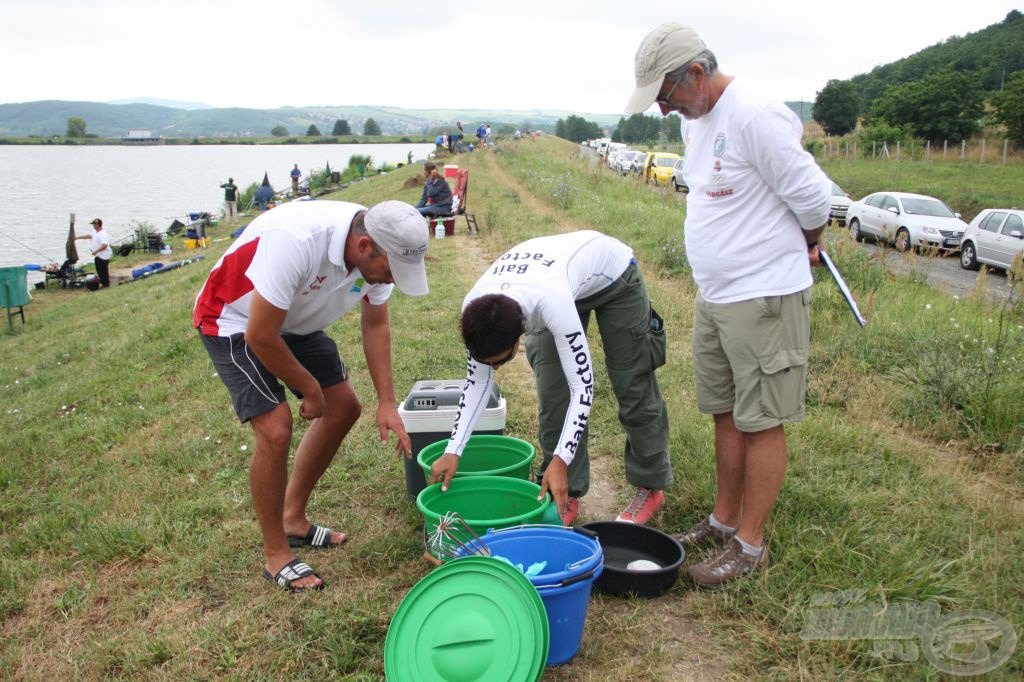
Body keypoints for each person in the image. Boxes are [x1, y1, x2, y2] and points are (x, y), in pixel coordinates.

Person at [625, 22, 831, 587]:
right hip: (716, 298)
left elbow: (814, 198)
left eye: (666, 96)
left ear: (696, 72)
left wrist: (808, 239)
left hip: (763, 295)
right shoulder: (699, 122)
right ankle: (723, 519)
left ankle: (750, 543)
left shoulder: (754, 114)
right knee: (726, 410)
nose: (665, 111)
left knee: (762, 419)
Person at [193, 199, 430, 592]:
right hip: (233, 318)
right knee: (275, 428)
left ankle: (293, 519)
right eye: (390, 270)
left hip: (291, 320)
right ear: (364, 245)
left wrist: (386, 402)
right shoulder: (298, 240)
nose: (390, 280)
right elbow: (260, 336)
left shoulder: (378, 254)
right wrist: (309, 389)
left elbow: (375, 325)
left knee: (345, 407)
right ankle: (276, 554)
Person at [428, 231, 674, 526]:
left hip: (613, 278)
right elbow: (477, 383)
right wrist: (453, 450)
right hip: (557, 276)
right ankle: (566, 491)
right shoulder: (475, 310)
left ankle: (650, 486)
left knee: (631, 383)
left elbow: (583, 387)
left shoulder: (550, 302)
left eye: (502, 361)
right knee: (554, 394)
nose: (495, 370)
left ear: (521, 331)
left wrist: (561, 458)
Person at [75, 218, 112, 287]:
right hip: (98, 255)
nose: (93, 226)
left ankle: (106, 284)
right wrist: (78, 237)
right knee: (99, 269)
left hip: (104, 255)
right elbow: (89, 236)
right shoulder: (95, 231)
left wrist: (95, 251)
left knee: (103, 270)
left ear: (98, 225)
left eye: (94, 224)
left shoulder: (102, 233)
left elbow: (105, 245)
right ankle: (103, 282)